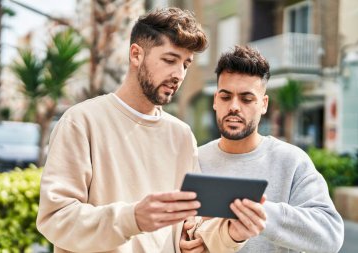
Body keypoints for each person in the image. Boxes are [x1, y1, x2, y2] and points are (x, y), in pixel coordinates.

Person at [36, 7, 208, 253]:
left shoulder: (181, 135)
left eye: (186, 64)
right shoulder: (81, 121)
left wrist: (198, 236)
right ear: (136, 55)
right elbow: (55, 219)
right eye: (170, 60)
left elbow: (190, 218)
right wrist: (132, 218)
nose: (178, 74)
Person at [180, 45, 344, 253]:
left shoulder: (292, 161)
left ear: (264, 104)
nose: (234, 107)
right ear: (215, 101)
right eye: (225, 97)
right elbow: (177, 228)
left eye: (247, 99)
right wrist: (182, 242)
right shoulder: (195, 159)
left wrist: (257, 213)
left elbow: (330, 236)